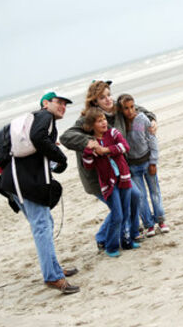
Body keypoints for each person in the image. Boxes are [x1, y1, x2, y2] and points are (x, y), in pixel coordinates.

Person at [0, 91, 80, 294]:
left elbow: (40, 154)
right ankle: (52, 277)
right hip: (23, 183)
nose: (62, 107)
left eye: (65, 104)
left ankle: (54, 269)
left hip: (17, 182)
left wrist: (56, 160)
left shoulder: (40, 123)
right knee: (42, 225)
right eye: (58, 102)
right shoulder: (44, 117)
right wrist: (61, 157)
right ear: (45, 103)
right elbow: (38, 138)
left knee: (45, 223)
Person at [59, 80, 157, 243]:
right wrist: (89, 142)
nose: (108, 99)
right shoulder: (88, 119)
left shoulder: (117, 111)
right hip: (98, 177)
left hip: (118, 172)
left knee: (134, 197)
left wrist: (152, 119)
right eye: (102, 97)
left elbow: (138, 110)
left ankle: (131, 232)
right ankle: (103, 237)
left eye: (109, 95)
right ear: (95, 101)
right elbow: (66, 137)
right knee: (118, 209)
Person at [81, 107, 139, 257]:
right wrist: (89, 151)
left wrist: (106, 150)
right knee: (117, 215)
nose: (104, 123)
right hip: (109, 184)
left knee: (126, 212)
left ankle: (126, 242)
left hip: (124, 178)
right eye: (99, 121)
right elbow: (88, 165)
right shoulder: (92, 143)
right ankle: (111, 246)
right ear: (91, 125)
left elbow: (124, 147)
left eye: (104, 119)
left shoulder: (113, 133)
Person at [118, 93, 169, 237]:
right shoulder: (121, 124)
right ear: (121, 110)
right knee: (140, 196)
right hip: (132, 167)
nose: (130, 111)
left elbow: (152, 140)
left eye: (132, 107)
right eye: (126, 108)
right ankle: (149, 224)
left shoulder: (142, 119)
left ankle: (161, 220)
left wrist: (153, 162)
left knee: (155, 193)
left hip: (147, 162)